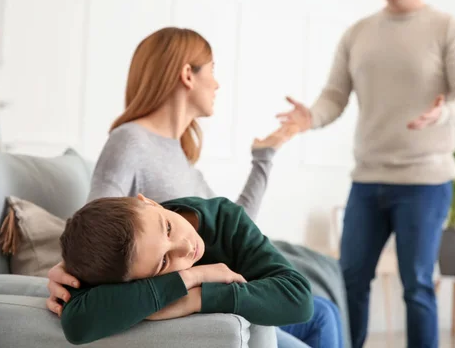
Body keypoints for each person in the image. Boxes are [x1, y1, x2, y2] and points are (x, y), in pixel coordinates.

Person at [45, 26, 343, 348]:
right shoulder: (130, 141)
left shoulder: (179, 151)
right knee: (323, 312)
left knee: (324, 305)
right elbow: (100, 227)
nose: (217, 83)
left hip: (215, 276)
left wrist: (264, 158)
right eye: (212, 70)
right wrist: (70, 268)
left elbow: (232, 221)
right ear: (188, 74)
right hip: (177, 290)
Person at [276, 0, 455, 347]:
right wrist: (310, 117)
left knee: (417, 286)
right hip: (368, 181)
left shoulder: (447, 29)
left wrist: (443, 114)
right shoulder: (359, 33)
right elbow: (333, 96)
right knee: (350, 280)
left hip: (425, 181)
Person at [57, 193, 314, 344]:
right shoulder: (120, 262)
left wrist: (199, 298)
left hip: (269, 312)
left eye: (167, 227)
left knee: (324, 317)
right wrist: (193, 276)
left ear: (148, 202)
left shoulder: (226, 218)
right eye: (164, 263)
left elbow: (299, 299)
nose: (184, 247)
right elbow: (78, 324)